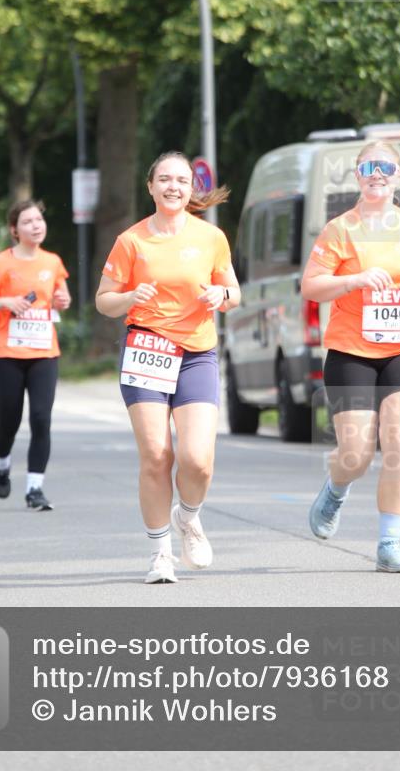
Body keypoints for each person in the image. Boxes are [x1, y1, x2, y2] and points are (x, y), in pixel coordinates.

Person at [301, 140, 400, 572]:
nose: (377, 172)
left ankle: (390, 544)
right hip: (352, 349)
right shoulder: (340, 229)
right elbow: (311, 286)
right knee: (355, 452)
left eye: (386, 166)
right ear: (357, 174)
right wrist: (352, 281)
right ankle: (335, 490)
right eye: (369, 165)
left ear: (398, 176)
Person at [95, 152, 241, 584]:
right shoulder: (131, 241)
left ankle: (188, 517)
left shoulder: (211, 237)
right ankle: (161, 554)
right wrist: (129, 297)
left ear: (191, 188)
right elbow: (104, 300)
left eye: (181, 180)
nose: (174, 186)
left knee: (197, 460)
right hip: (146, 351)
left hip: (196, 352)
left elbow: (234, 290)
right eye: (165, 179)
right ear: (151, 187)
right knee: (157, 456)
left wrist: (222, 297)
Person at [0, 199, 71, 511]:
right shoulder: (1, 263)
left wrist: (62, 299)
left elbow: (61, 297)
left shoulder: (53, 261)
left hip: (44, 351)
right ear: (15, 230)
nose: (36, 226)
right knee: (9, 423)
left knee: (42, 419)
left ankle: (34, 490)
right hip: (7, 353)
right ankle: (1, 464)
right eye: (28, 222)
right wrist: (6, 302)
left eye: (39, 220)